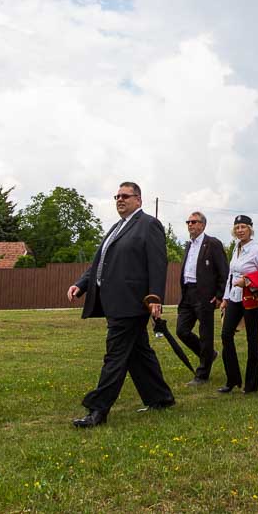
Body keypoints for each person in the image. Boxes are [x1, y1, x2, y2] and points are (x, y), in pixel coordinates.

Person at [67, 182, 174, 428]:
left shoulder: (149, 224)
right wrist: (81, 284)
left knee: (115, 356)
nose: (120, 200)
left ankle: (98, 410)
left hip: (132, 302)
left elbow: (158, 263)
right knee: (138, 353)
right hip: (114, 301)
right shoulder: (117, 227)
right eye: (117, 196)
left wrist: (155, 297)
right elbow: (100, 262)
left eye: (125, 196)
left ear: (139, 200)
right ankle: (161, 398)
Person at [218, 215, 258, 394]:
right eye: (237, 227)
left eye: (243, 227)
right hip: (234, 298)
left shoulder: (257, 251)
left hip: (251, 299)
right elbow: (231, 276)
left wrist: (248, 282)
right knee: (226, 335)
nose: (240, 230)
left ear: (250, 229)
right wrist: (225, 298)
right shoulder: (236, 248)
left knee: (252, 338)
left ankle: (251, 384)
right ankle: (233, 379)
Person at [176, 211, 229, 386]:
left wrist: (220, 295)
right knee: (182, 330)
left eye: (194, 222)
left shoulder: (212, 244)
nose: (190, 225)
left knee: (206, 334)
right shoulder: (188, 245)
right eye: (188, 222)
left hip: (205, 295)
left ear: (203, 225)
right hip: (188, 293)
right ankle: (209, 354)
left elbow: (223, 271)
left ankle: (202, 374)